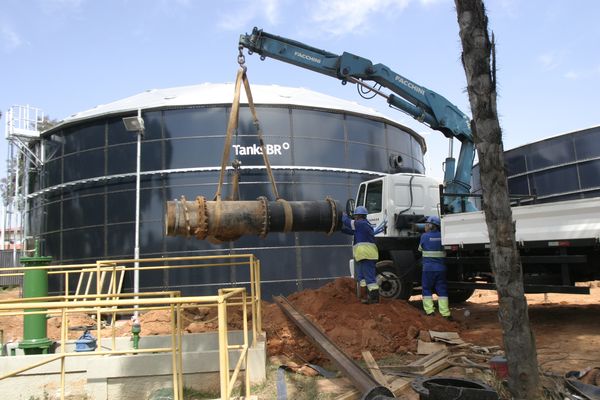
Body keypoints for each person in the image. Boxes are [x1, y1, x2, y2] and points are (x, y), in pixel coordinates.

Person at [342, 206, 380, 304]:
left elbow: (348, 222)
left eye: (355, 216)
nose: (354, 218)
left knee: (369, 278)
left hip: (367, 255)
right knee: (362, 277)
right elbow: (352, 231)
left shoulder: (361, 224)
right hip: (363, 255)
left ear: (359, 216)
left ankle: (374, 298)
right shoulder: (362, 226)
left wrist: (343, 215)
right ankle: (366, 296)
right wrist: (341, 229)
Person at [418, 215, 451, 319]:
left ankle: (429, 311)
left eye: (427, 224)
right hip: (441, 269)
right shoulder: (443, 236)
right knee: (442, 290)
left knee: (427, 289)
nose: (425, 226)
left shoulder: (424, 236)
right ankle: (445, 313)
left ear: (431, 226)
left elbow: (420, 249)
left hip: (428, 269)